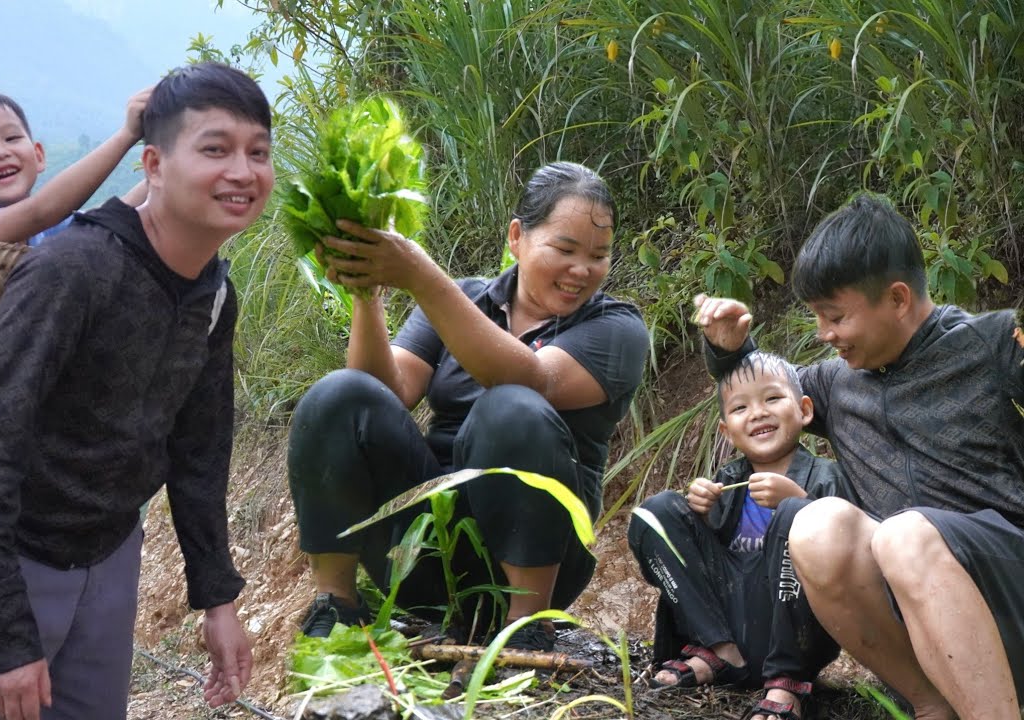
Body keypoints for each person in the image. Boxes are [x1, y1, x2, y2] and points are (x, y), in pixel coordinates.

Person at [0, 62, 273, 720]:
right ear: (153, 164)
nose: (242, 172)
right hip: (7, 548)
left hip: (109, 554)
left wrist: (217, 601)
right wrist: (1, 634)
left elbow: (200, 455)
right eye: (215, 149)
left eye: (258, 152)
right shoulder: (72, 270)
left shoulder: (214, 294)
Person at [286, 161, 649, 652]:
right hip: (423, 550)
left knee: (512, 407)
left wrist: (420, 275)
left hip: (543, 552)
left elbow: (532, 379)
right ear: (517, 237)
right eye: (564, 249)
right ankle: (337, 606)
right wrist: (366, 294)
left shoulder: (618, 328)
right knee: (336, 393)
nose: (582, 269)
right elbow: (376, 395)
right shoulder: (462, 299)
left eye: (599, 255)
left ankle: (526, 628)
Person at [694, 193, 1024, 720]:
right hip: (920, 612)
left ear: (896, 299)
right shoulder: (834, 384)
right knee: (816, 525)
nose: (825, 335)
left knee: (905, 532)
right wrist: (731, 351)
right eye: (818, 318)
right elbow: (767, 400)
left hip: (1009, 582)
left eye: (836, 316)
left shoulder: (994, 345)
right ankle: (932, 705)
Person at [628, 351, 844, 720]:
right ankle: (718, 651)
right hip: (726, 623)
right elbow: (700, 563)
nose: (758, 412)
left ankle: (786, 682)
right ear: (727, 432)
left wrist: (799, 502)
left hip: (790, 626)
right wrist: (697, 511)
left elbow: (847, 553)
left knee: (799, 514)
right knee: (657, 512)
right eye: (741, 407)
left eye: (773, 398)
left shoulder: (828, 477)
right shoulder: (726, 482)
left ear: (805, 411)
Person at [0, 85, 151, 246]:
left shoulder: (49, 228)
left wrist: (160, 169)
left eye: (12, 138)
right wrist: (127, 135)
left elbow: (114, 216)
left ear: (38, 156)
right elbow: (41, 212)